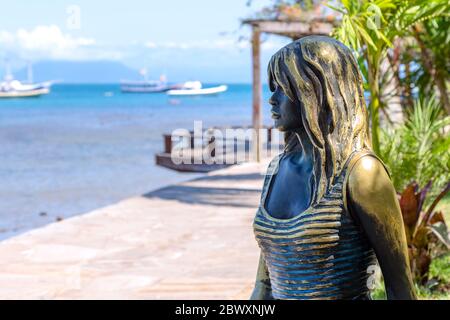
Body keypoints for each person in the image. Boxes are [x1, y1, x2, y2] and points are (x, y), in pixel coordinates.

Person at [250, 36, 416, 300]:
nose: (272, 100)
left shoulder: (361, 173)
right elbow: (264, 285)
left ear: (318, 92)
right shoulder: (277, 169)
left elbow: (401, 289)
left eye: (283, 88)